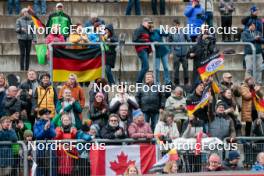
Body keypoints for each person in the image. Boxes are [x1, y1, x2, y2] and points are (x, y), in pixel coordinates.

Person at [169, 19, 190, 85]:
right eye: (174, 25)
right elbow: (169, 43)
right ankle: (176, 83)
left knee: (186, 68)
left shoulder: (184, 31)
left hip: (184, 53)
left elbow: (189, 40)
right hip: (176, 53)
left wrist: (189, 50)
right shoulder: (171, 33)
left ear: (179, 25)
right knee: (176, 69)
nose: (175, 26)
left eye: (177, 25)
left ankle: (186, 82)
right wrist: (170, 52)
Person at [133, 18, 153, 83]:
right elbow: (134, 39)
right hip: (141, 49)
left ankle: (141, 82)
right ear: (143, 22)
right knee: (146, 67)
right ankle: (138, 81)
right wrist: (145, 41)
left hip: (146, 50)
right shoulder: (139, 29)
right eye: (148, 23)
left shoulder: (147, 31)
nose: (149, 24)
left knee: (144, 66)